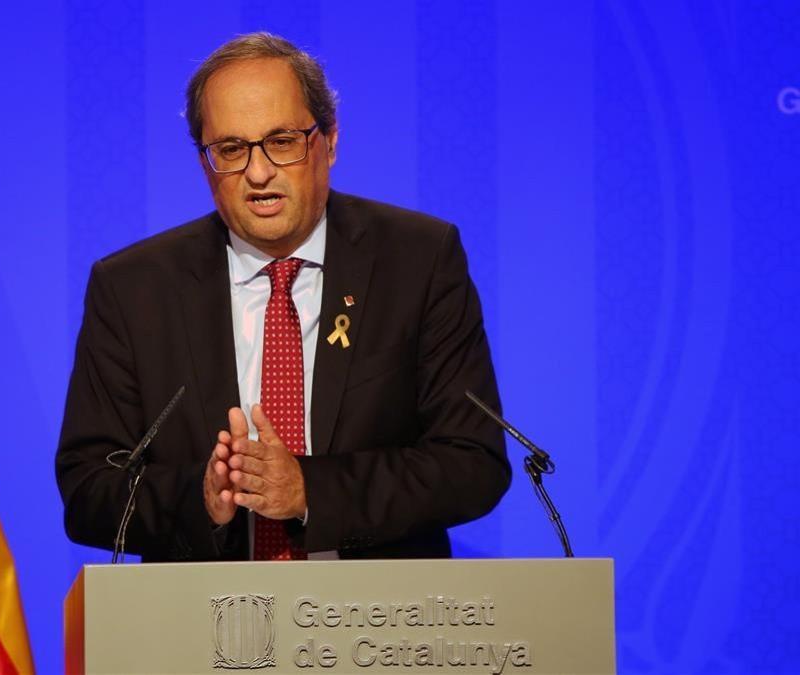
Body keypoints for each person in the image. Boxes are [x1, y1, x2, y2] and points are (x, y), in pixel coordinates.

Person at [55, 32, 510, 561]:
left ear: (330, 141)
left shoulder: (418, 261)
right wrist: (198, 498)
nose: (258, 171)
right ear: (206, 162)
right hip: (201, 624)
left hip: (379, 624)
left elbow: (473, 462)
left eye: (282, 141)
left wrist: (310, 491)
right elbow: (88, 489)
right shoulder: (134, 288)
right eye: (230, 149)